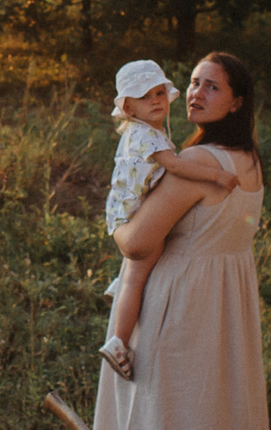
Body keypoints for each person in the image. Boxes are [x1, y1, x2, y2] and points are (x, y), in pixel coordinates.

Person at [86, 51, 271, 430]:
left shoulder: (196, 160)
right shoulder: (249, 160)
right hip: (224, 310)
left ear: (237, 102)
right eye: (192, 82)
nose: (195, 93)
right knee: (207, 426)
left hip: (179, 310)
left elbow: (136, 243)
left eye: (212, 86)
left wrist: (116, 226)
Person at [100, 59, 239, 380]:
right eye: (144, 96)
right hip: (132, 213)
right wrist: (216, 175)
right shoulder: (151, 138)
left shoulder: (137, 132)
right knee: (138, 274)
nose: (156, 101)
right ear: (129, 107)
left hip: (124, 208)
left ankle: (122, 285)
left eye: (159, 93)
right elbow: (176, 167)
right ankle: (118, 342)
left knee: (141, 266)